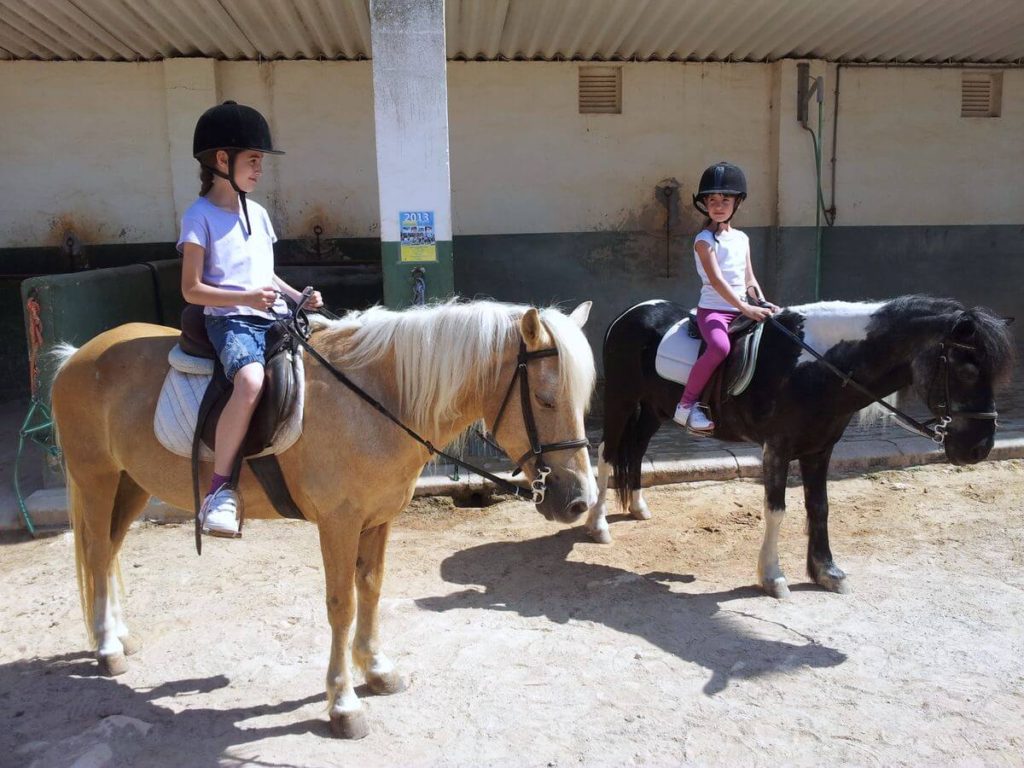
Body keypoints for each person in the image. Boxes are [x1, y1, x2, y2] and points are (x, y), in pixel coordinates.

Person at [178, 101, 323, 537]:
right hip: (231, 321)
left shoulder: (257, 214)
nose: (260, 169)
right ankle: (219, 491)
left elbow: (266, 275)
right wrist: (246, 298)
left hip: (272, 313)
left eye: (260, 161)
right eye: (253, 160)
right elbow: (191, 289)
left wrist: (300, 295)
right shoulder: (197, 217)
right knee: (250, 382)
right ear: (222, 160)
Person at [673, 162, 777, 434]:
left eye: (725, 200)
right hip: (714, 312)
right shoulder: (704, 240)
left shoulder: (742, 238)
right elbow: (717, 281)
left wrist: (762, 303)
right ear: (704, 204)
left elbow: (749, 280)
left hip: (742, 309)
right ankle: (686, 406)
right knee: (720, 348)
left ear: (737, 203)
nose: (718, 206)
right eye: (712, 200)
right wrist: (744, 306)